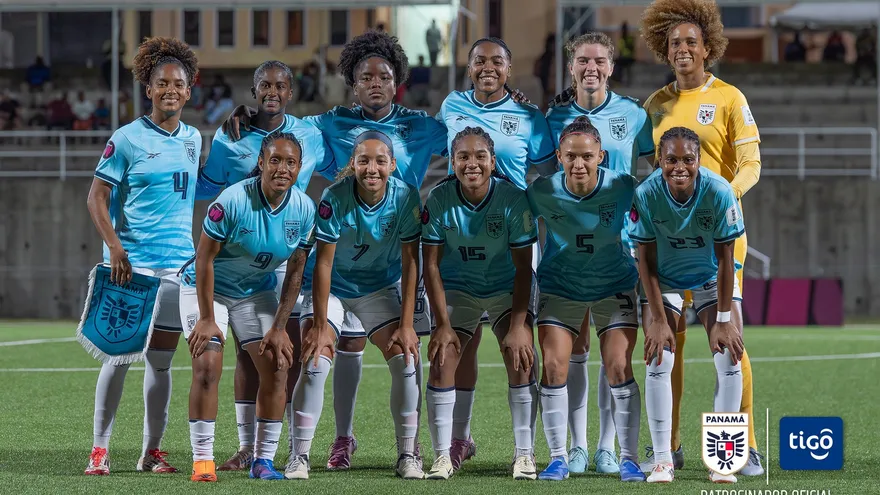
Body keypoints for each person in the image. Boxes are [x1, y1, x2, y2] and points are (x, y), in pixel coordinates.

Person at [222, 31, 447, 475]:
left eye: (384, 75)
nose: (375, 83)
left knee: (404, 355)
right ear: (352, 81)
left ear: (397, 79)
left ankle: (413, 449)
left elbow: (474, 140)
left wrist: (510, 97)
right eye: (366, 76)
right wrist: (253, 114)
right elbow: (282, 130)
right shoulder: (329, 123)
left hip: (388, 259)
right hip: (338, 265)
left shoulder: (422, 126)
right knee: (325, 350)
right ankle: (319, 446)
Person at [641, 0, 763, 476]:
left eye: (691, 42)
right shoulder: (655, 105)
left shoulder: (731, 98)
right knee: (668, 343)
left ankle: (735, 449)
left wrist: (722, 200)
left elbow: (752, 163)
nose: (683, 49)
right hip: (670, 243)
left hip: (721, 241)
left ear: (708, 48)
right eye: (674, 43)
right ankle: (667, 448)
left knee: (727, 339)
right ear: (664, 51)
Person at [196, 60, 334, 473]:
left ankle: (284, 449)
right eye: (264, 86)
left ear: (291, 92)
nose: (272, 92)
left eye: (280, 86)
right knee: (243, 356)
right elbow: (206, 184)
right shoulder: (229, 135)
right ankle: (246, 447)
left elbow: (350, 138)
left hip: (285, 251)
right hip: (237, 252)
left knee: (277, 353)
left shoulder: (311, 132)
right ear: (253, 91)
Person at [437, 36, 556, 472]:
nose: (488, 67)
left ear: (510, 68)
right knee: (459, 346)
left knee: (521, 344)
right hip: (462, 240)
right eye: (480, 61)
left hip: (513, 240)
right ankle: (458, 440)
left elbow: (551, 172)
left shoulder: (528, 115)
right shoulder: (451, 106)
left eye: (497, 62)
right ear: (469, 68)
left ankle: (527, 449)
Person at [84, 36, 201, 476]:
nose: (170, 90)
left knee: (162, 363)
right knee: (118, 358)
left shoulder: (193, 139)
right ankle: (99, 450)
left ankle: (151, 451)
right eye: (162, 83)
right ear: (148, 89)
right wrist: (115, 247)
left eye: (178, 84)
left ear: (189, 91)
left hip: (179, 266)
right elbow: (96, 198)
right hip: (132, 267)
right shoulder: (126, 138)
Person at [545, 31, 655, 475]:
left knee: (617, 356)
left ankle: (607, 447)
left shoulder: (633, 114)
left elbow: (653, 168)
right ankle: (574, 446)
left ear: (611, 67)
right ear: (571, 66)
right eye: (582, 61)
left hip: (617, 252)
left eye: (599, 61)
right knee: (573, 348)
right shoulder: (552, 117)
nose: (591, 68)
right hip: (564, 249)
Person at [180, 131, 314, 482]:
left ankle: (263, 461)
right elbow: (204, 259)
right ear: (261, 162)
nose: (282, 168)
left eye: (291, 163)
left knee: (278, 363)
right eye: (275, 160)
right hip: (206, 289)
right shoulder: (232, 200)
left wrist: (280, 326)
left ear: (299, 168)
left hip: (255, 292)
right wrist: (208, 318)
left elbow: (295, 273)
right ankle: (203, 462)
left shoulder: (303, 208)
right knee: (208, 364)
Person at [289, 130, 424, 480]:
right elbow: (323, 264)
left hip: (378, 289)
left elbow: (412, 264)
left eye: (381, 161)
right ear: (353, 163)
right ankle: (299, 455)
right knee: (315, 360)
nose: (372, 168)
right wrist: (319, 326)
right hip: (333, 289)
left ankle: (408, 453)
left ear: (392, 165)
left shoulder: (406, 197)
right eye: (364, 160)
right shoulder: (334, 197)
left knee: (407, 357)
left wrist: (407, 325)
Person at [527, 116, 644, 482]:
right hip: (561, 285)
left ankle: (622, 454)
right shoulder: (541, 191)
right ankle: (562, 455)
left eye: (587, 157)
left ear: (601, 156)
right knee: (555, 365)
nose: (579, 164)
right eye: (570, 157)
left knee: (619, 367)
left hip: (614, 283)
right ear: (559, 156)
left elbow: (650, 228)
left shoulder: (625, 187)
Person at [630, 126, 746, 484]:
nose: (679, 167)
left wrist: (724, 319)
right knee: (659, 356)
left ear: (698, 160)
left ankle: (721, 461)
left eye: (688, 159)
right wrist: (659, 319)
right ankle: (663, 460)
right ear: (659, 162)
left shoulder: (720, 191)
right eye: (671, 160)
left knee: (729, 356)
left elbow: (727, 259)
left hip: (711, 278)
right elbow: (644, 261)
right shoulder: (646, 194)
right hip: (664, 280)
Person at [422, 127, 538, 480]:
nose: (471, 164)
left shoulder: (513, 198)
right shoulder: (439, 199)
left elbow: (523, 269)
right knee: (443, 358)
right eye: (463, 157)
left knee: (520, 357)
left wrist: (518, 327)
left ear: (492, 161)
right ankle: (442, 455)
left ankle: (524, 454)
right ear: (452, 162)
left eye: (479, 157)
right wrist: (441, 325)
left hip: (505, 288)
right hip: (460, 288)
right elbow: (431, 265)